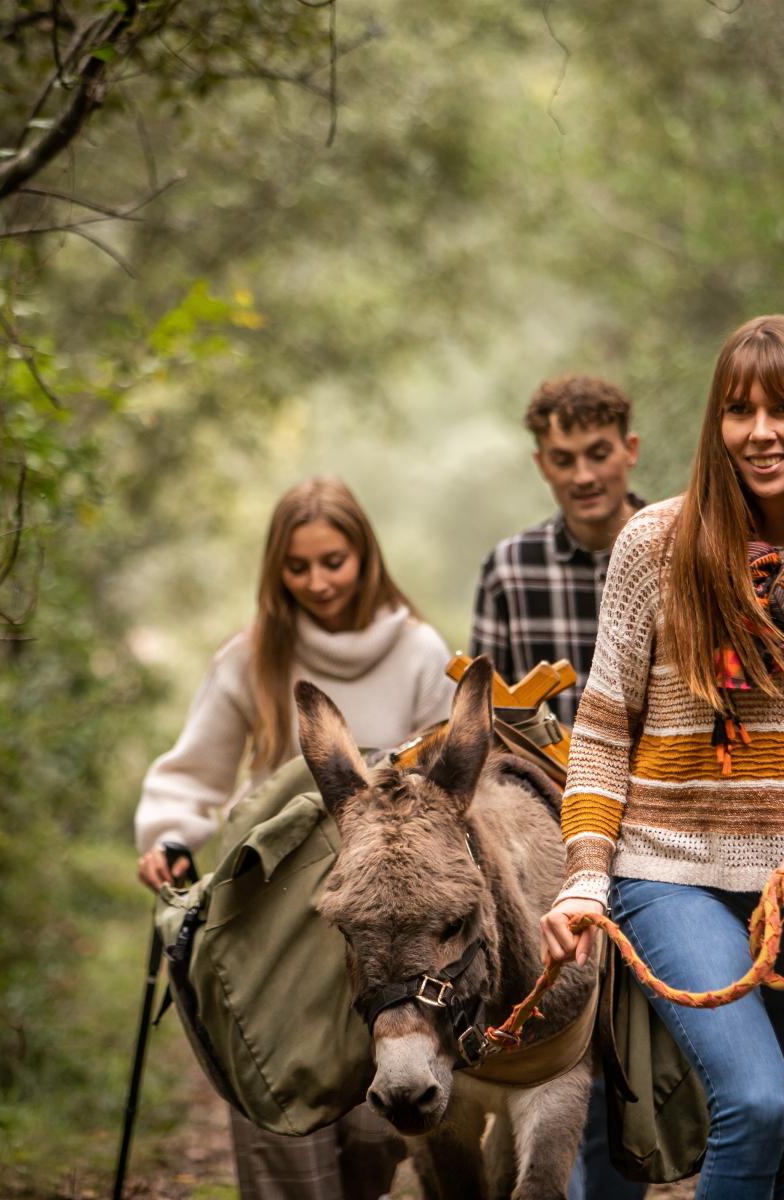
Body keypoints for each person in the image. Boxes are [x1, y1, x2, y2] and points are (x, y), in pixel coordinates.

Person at [539, 315, 784, 1200]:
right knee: (754, 1103)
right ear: (715, 425)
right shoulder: (657, 546)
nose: (759, 433)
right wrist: (583, 875)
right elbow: (604, 731)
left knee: (777, 1129)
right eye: (738, 411)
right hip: (669, 874)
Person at [135, 475, 454, 1200]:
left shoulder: (418, 649)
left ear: (364, 557)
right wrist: (171, 836)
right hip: (275, 907)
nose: (317, 581)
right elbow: (197, 769)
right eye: (298, 565)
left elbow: (446, 782)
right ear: (277, 567)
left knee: (379, 1120)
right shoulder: (254, 655)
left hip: (382, 917)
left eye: (333, 561)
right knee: (279, 1084)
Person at [470, 373, 648, 1200]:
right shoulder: (510, 569)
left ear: (629, 452)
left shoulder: (674, 548)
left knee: (625, 1045)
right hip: (548, 837)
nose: (585, 474)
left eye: (599, 454)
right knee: (559, 1024)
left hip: (650, 821)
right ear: (542, 463)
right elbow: (484, 722)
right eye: (565, 458)